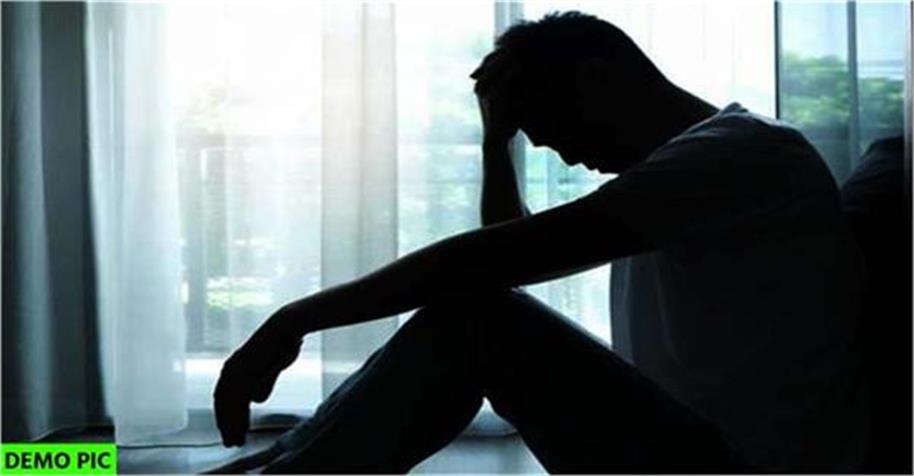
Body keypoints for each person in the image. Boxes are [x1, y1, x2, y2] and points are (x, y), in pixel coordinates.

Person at [210, 11, 868, 473]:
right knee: (479, 313)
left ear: (599, 78)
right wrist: (495, 143)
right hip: (707, 451)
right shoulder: (704, 161)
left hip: (747, 465)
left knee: (480, 321)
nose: (569, 156)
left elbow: (492, 264)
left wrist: (294, 319)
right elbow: (501, 263)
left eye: (557, 129)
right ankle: (291, 463)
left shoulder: (740, 155)